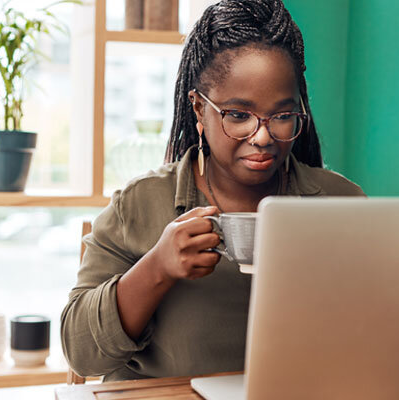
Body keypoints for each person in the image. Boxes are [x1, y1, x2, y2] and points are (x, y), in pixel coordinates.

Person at [61, 0, 365, 382]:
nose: (262, 137)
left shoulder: (343, 205)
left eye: (283, 116)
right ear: (198, 110)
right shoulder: (139, 205)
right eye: (238, 116)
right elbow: (81, 354)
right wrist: (157, 268)